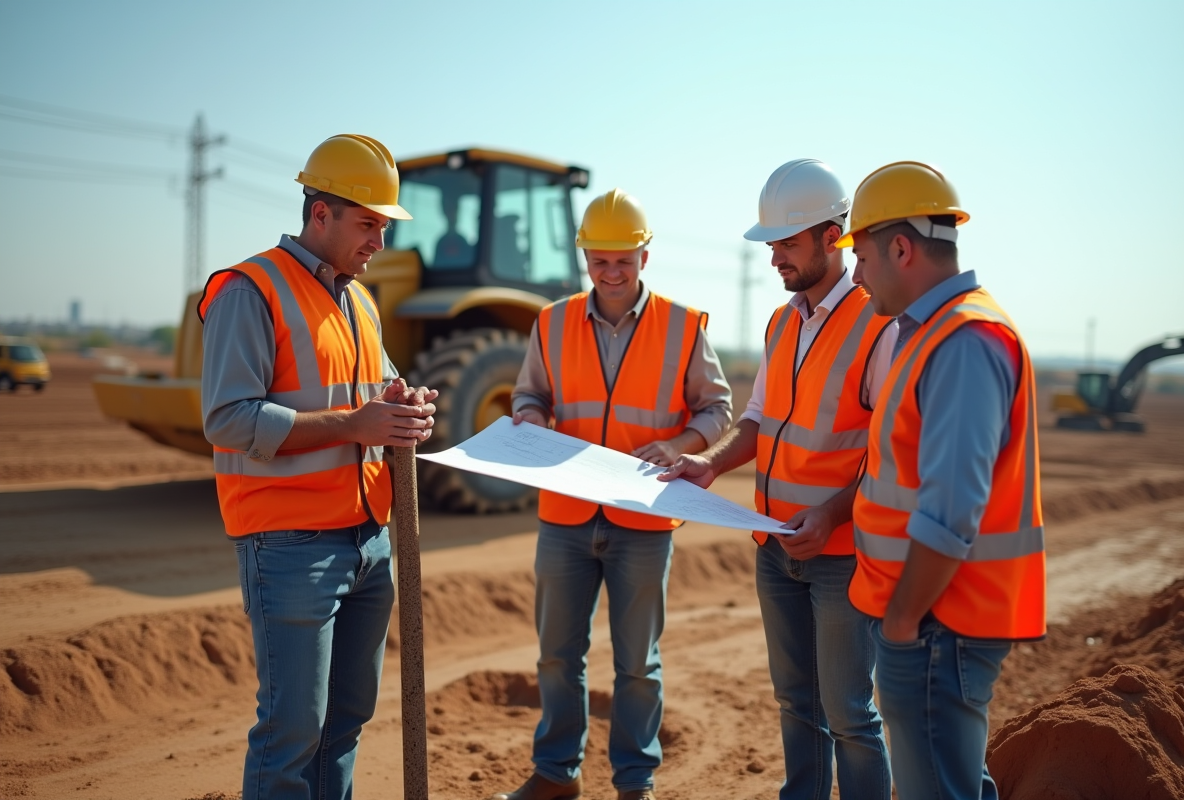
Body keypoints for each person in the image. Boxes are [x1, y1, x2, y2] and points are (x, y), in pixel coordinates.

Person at [198, 133, 437, 800]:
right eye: (368, 224)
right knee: (291, 734)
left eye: (384, 227)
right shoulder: (251, 290)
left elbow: (378, 394)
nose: (378, 243)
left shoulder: (360, 301)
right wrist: (355, 425)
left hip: (368, 539)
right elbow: (227, 419)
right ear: (321, 213)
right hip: (290, 544)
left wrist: (405, 406)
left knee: (344, 726)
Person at [659, 159, 895, 799]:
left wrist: (831, 517)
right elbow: (760, 419)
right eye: (771, 246)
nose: (774, 260)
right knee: (797, 703)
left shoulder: (880, 323)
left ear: (832, 236)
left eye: (786, 244)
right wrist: (710, 462)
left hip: (840, 554)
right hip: (774, 546)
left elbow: (887, 454)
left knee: (850, 715)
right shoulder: (782, 321)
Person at [494, 188, 733, 800]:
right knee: (556, 657)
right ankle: (556, 775)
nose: (612, 273)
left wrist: (681, 443)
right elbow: (529, 395)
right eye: (599, 262)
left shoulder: (684, 326)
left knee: (637, 666)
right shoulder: (551, 322)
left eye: (623, 260)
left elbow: (717, 409)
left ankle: (635, 783)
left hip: (644, 520)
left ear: (645, 257)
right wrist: (531, 418)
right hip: (565, 518)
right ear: (586, 261)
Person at [838, 161, 1046, 800]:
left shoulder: (962, 340)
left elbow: (953, 507)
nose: (856, 274)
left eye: (864, 257)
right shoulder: (932, 333)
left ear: (901, 249)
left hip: (937, 623)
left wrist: (902, 623)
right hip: (933, 621)